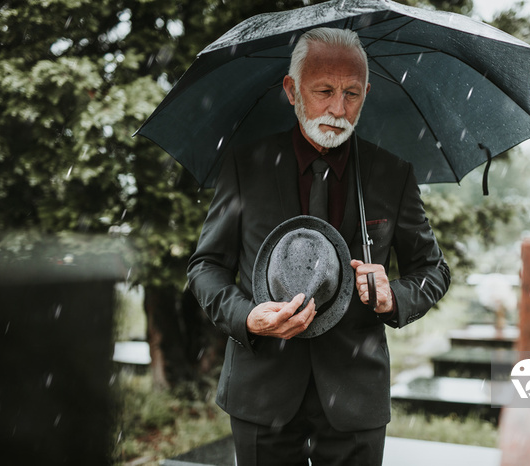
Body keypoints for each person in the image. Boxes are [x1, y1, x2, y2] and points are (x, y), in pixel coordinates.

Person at [187, 27, 450, 466]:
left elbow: (434, 270)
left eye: (352, 93)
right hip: (260, 392)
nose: (338, 108)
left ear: (367, 92)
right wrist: (246, 317)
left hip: (356, 399)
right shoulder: (244, 167)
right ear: (292, 90)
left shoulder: (392, 174)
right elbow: (206, 267)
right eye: (323, 90)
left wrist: (394, 297)